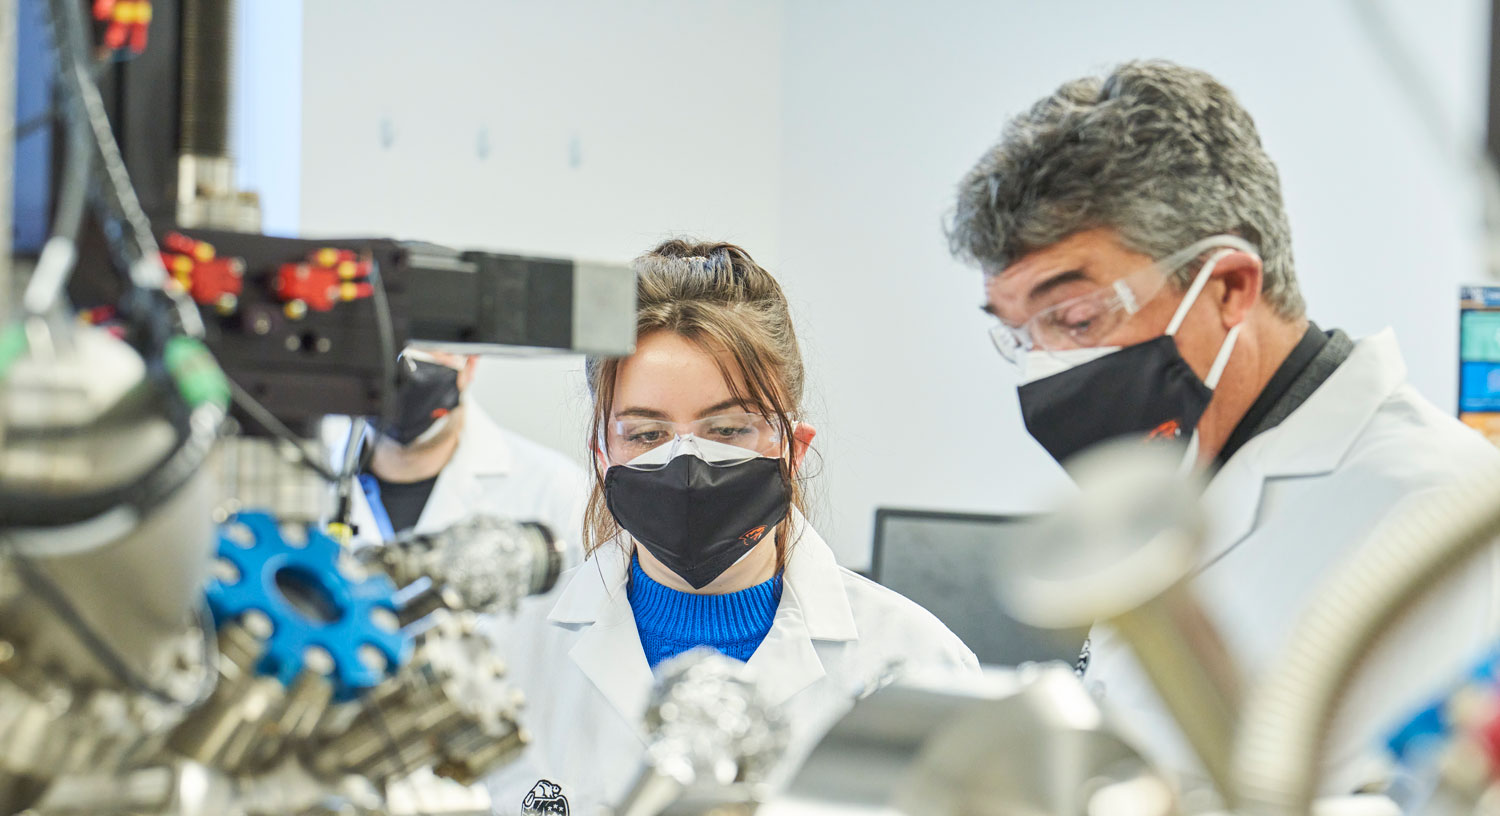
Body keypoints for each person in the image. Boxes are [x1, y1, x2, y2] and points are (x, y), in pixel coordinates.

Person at [947, 60, 1500, 794]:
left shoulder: (1439, 513)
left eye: (1076, 319)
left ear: (1231, 286)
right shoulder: (1179, 477)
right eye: (1022, 337)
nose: (1047, 370)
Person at [485, 240, 979, 814]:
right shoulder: (514, 651)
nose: (686, 464)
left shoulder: (913, 663)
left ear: (793, 449)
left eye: (728, 429)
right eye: (646, 435)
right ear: (602, 456)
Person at [327, 348, 587, 564]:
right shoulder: (300, 478)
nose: (405, 362)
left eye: (426, 342)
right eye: (385, 337)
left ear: (470, 363)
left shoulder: (559, 494)